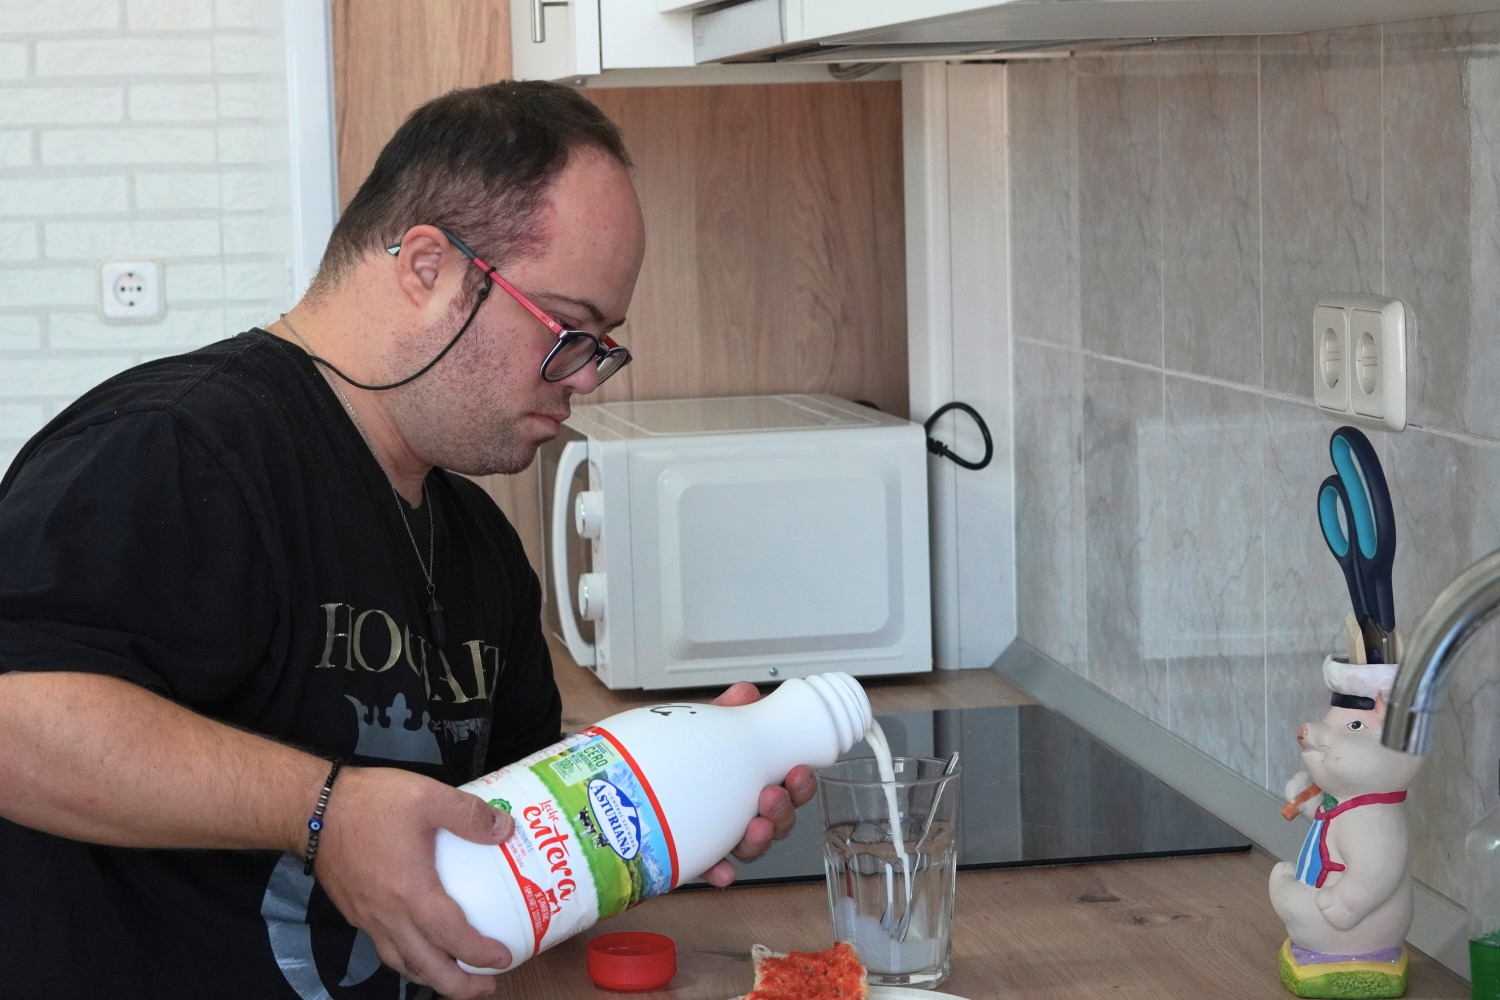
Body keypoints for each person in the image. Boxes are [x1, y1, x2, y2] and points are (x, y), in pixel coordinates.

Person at [0, 80, 815, 999]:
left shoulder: (478, 544)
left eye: (601, 344)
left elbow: (491, 836)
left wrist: (647, 793)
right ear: (428, 267)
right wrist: (324, 813)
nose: (588, 379)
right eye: (568, 331)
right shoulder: (176, 449)